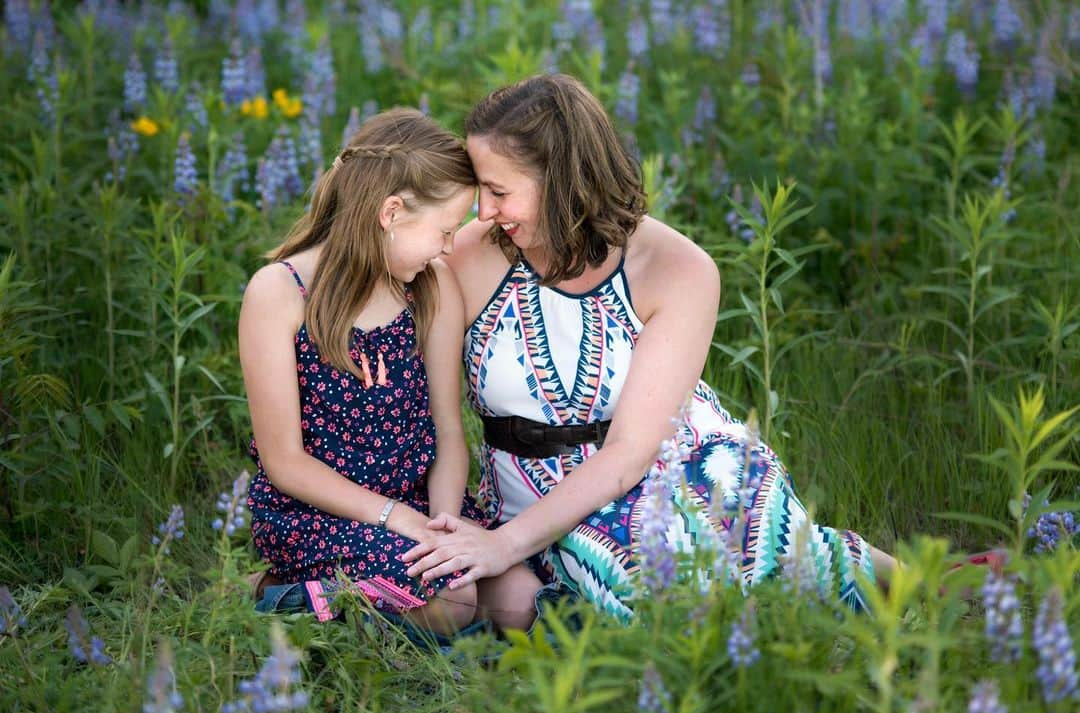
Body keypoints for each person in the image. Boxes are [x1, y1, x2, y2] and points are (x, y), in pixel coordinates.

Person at [401, 75, 898, 620]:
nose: (485, 212)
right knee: (621, 585)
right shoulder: (470, 257)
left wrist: (502, 545)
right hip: (532, 489)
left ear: (565, 181)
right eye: (481, 190)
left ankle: (907, 581)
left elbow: (631, 452)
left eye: (499, 192)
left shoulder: (676, 268)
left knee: (724, 552)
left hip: (674, 463)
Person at [239, 108, 542, 637]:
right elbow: (283, 461)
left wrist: (444, 525)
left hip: (420, 505)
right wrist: (394, 518)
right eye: (445, 230)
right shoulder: (281, 291)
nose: (451, 247)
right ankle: (283, 598)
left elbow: (447, 429)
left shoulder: (431, 287)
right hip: (321, 514)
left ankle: (365, 609)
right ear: (392, 212)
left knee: (522, 601)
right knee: (454, 600)